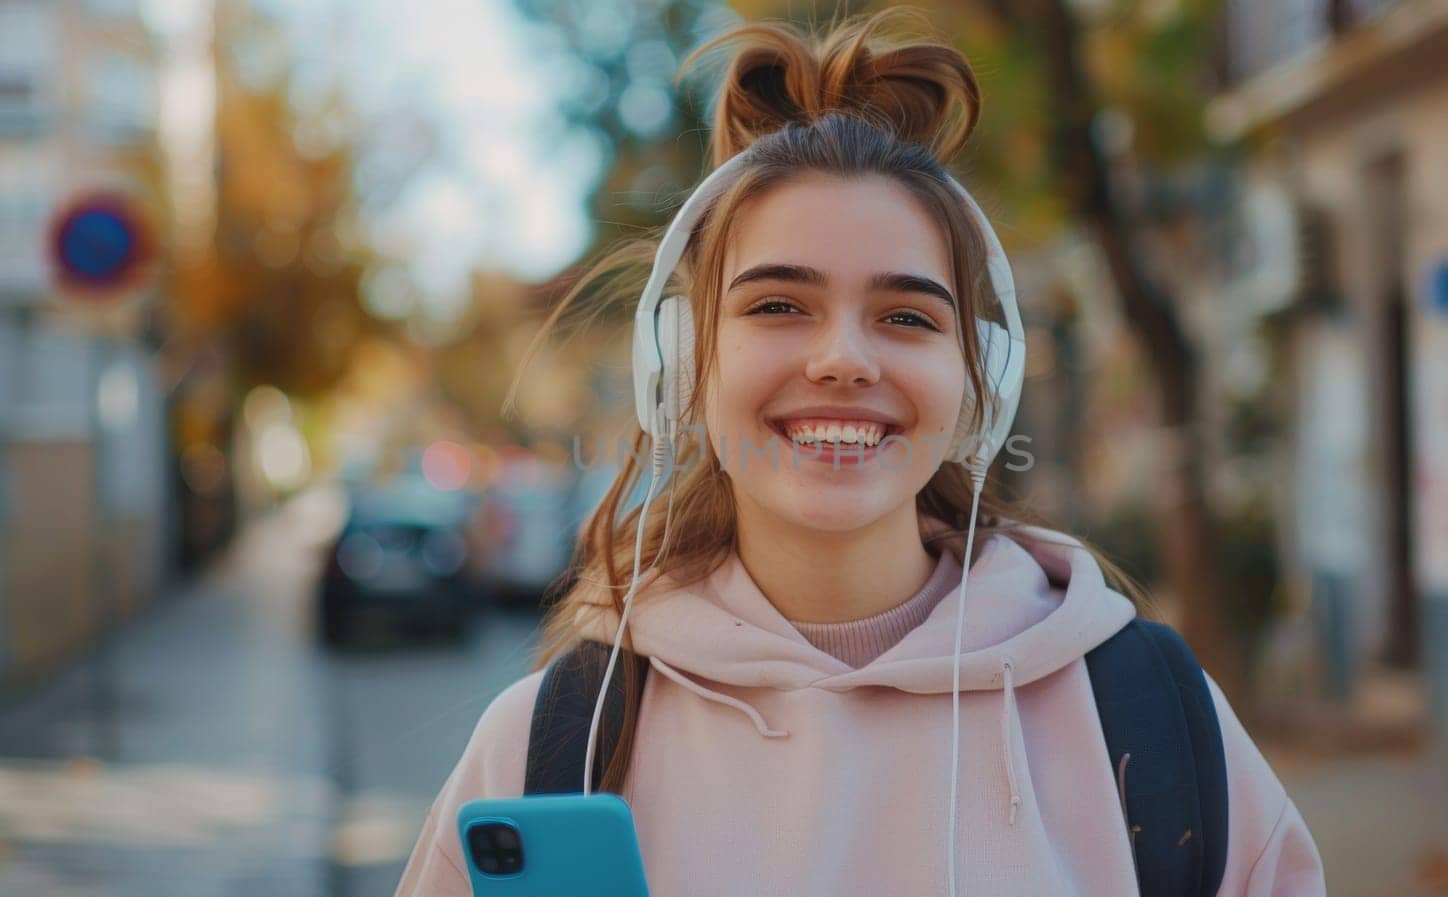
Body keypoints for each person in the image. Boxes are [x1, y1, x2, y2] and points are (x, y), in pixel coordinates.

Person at [395, 10, 1325, 897]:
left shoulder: (1149, 719)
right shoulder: (552, 746)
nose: (842, 357)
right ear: (683, 365)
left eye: (907, 316)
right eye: (778, 304)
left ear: (980, 381)